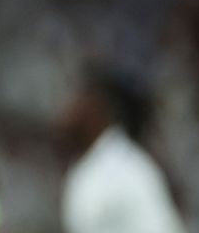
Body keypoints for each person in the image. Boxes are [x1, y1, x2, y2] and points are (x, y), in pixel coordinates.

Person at [59, 63, 187, 233]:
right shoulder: (86, 166)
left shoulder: (129, 168)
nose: (68, 107)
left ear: (96, 108)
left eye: (77, 98)